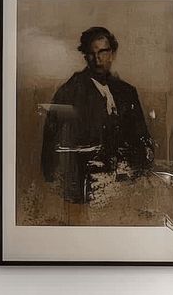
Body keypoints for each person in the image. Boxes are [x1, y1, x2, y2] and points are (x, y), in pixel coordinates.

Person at [41, 26, 154, 203]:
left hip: (128, 184)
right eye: (92, 53)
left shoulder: (127, 92)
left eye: (103, 52)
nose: (98, 59)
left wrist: (139, 162)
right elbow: (52, 149)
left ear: (112, 53)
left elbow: (142, 137)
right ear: (85, 56)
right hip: (86, 186)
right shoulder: (69, 92)